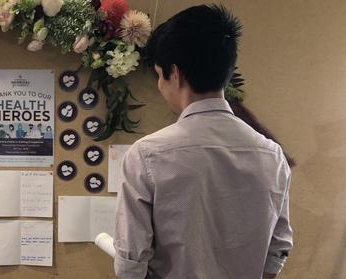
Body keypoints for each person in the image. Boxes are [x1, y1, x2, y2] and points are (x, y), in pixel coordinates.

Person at [114, 5, 292, 279]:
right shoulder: (272, 154)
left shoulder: (147, 155)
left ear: (176, 74)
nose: (161, 87)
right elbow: (277, 251)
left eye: (160, 76)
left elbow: (131, 262)